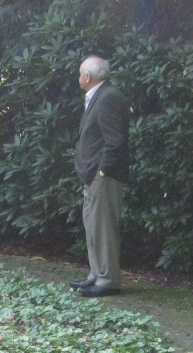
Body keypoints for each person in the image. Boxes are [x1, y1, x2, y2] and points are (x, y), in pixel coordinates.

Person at [71, 56, 130, 297]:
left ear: (88, 76)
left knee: (103, 227)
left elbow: (115, 140)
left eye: (80, 73)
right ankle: (96, 274)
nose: (78, 77)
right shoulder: (100, 95)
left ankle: (107, 281)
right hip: (92, 174)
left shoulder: (108, 97)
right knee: (93, 225)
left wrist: (102, 170)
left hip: (103, 175)